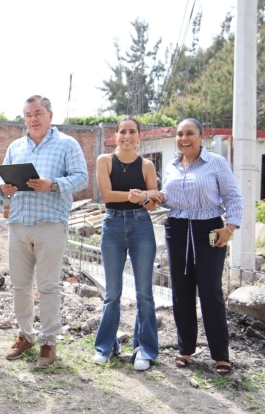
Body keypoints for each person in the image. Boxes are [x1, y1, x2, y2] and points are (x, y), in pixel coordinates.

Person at [0, 95, 88, 368]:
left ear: (50, 115)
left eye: (37, 113)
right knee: (20, 285)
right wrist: (3, 188)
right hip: (19, 224)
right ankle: (26, 335)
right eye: (27, 114)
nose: (32, 119)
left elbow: (82, 176)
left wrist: (53, 184)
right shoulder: (15, 146)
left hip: (50, 224)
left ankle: (48, 342)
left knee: (48, 286)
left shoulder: (67, 144)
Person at [160, 118, 243, 375]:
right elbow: (167, 200)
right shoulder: (172, 166)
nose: (184, 138)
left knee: (210, 291)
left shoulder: (216, 163)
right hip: (177, 229)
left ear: (201, 137)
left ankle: (221, 355)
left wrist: (229, 229)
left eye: (190, 133)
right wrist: (150, 197)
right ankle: (186, 349)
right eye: (180, 134)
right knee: (181, 291)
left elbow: (233, 197)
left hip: (209, 230)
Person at [92, 117, 163, 370]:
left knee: (144, 293)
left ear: (139, 136)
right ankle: (106, 346)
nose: (127, 136)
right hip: (112, 225)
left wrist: (144, 198)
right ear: (116, 135)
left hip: (141, 226)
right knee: (112, 293)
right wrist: (141, 195)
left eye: (132, 131)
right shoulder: (104, 160)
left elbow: (153, 204)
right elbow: (108, 195)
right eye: (123, 131)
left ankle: (144, 348)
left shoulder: (147, 166)